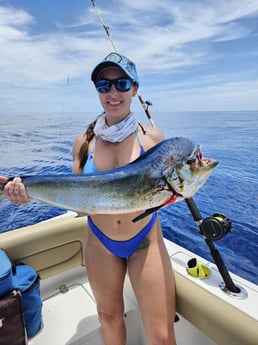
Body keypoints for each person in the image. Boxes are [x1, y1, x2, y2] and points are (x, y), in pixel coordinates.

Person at [1, 52, 177, 345]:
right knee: (108, 318)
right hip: (100, 241)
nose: (112, 93)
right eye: (103, 86)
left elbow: (169, 189)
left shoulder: (154, 139)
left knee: (160, 336)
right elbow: (76, 195)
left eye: (121, 84)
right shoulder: (83, 142)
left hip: (145, 240)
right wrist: (25, 194)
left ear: (135, 89)